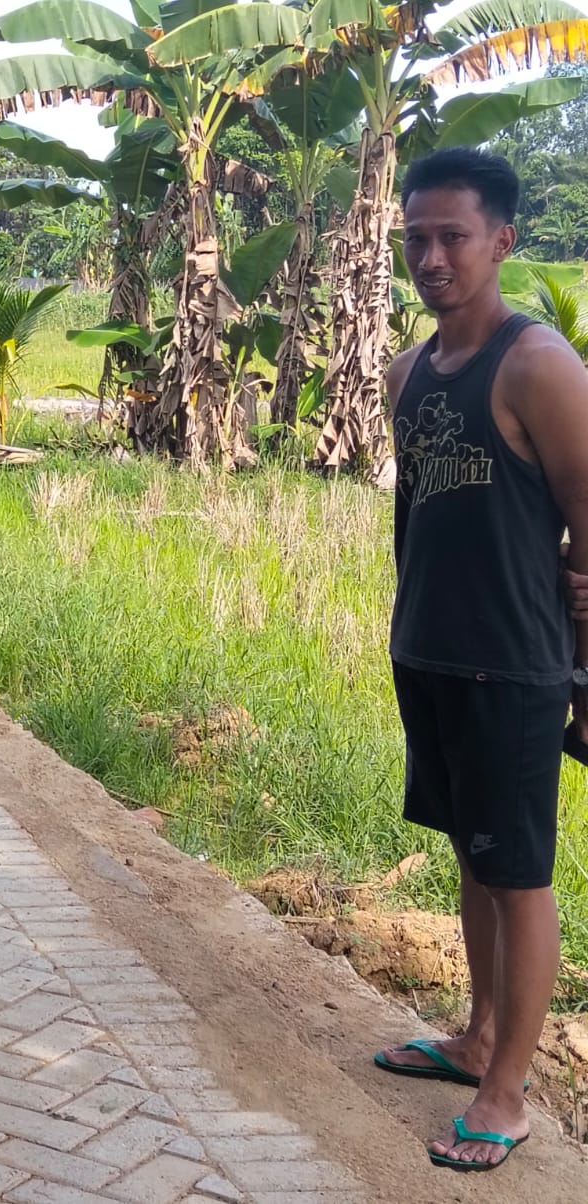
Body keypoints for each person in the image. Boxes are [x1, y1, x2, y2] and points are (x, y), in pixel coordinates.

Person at [369, 149, 588, 1171]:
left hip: (513, 663)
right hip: (429, 652)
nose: (431, 257)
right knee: (471, 851)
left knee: (520, 875)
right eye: (415, 238)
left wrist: (584, 665)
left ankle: (507, 1093)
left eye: (452, 237)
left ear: (501, 240)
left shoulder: (538, 364)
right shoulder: (406, 372)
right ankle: (476, 1037)